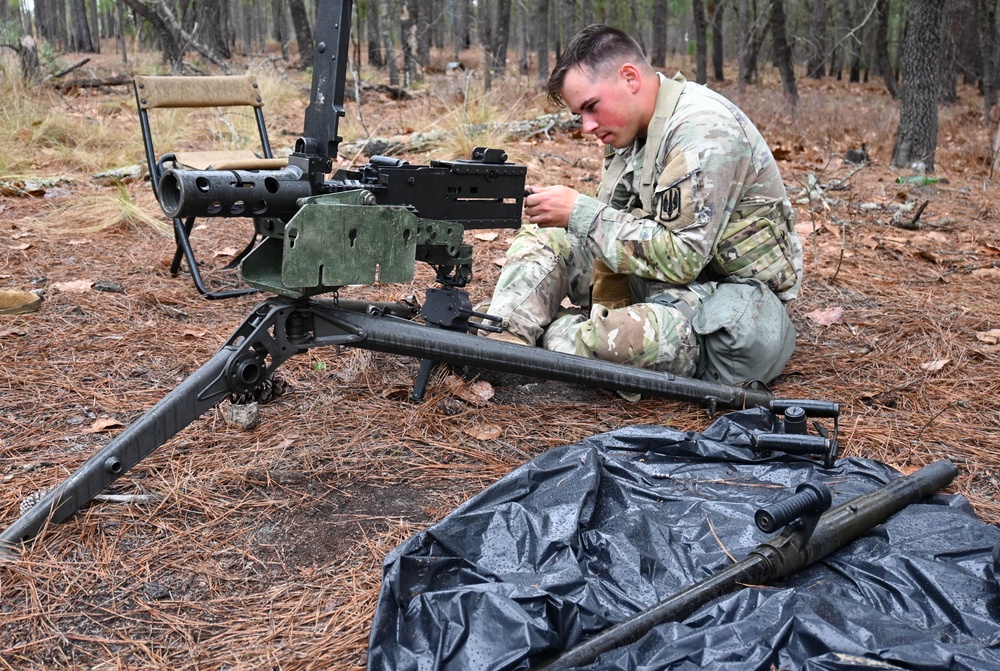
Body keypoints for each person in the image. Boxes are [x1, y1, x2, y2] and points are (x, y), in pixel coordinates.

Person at [483, 24, 803, 386]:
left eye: (591, 107)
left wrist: (580, 213)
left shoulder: (703, 132)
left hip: (723, 297)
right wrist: (570, 218)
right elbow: (618, 222)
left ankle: (550, 335)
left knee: (604, 341)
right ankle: (502, 336)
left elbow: (684, 257)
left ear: (630, 78)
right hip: (660, 277)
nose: (587, 126)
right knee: (544, 240)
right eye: (580, 115)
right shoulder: (632, 129)